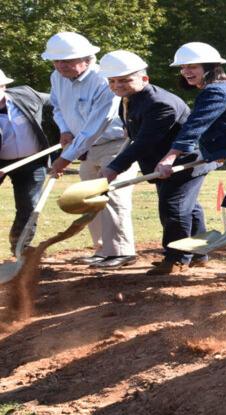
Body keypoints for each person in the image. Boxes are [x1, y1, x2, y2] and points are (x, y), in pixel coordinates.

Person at [155, 42, 226, 278]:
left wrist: (170, 157)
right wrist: (219, 152)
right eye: (183, 67)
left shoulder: (215, 91)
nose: (186, 72)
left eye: (192, 67)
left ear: (210, 67)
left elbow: (195, 125)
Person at [100, 50, 208, 276]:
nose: (117, 85)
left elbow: (143, 142)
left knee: (174, 208)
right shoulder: (129, 99)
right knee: (188, 208)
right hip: (161, 163)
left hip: (185, 162)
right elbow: (134, 134)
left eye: (124, 80)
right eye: (112, 81)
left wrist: (114, 168)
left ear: (144, 78)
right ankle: (199, 254)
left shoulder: (159, 104)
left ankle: (177, 258)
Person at [42, 32, 138, 269]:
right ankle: (102, 249)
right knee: (89, 199)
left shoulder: (103, 80)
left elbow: (97, 125)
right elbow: (57, 107)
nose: (60, 66)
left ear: (86, 59)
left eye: (66, 61)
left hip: (116, 145)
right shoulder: (57, 77)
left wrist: (65, 158)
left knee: (112, 196)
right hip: (85, 147)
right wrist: (65, 129)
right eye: (56, 61)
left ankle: (121, 252)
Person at [0, 68, 57, 254]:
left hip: (32, 162)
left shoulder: (26, 95)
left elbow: (59, 102)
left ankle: (20, 249)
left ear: (3, 86)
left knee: (30, 207)